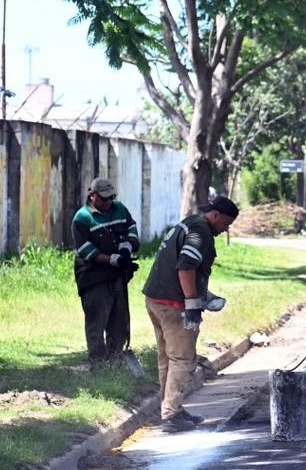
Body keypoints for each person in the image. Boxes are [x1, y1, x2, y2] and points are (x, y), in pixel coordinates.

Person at [142, 196, 239, 433]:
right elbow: (186, 266)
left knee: (167, 358)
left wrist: (205, 294)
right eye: (226, 223)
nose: (226, 229)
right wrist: (193, 305)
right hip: (173, 304)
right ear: (215, 215)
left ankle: (170, 407)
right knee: (183, 359)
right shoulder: (201, 231)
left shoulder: (190, 222)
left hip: (155, 299)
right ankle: (171, 414)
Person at [72, 177, 140, 369]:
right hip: (94, 277)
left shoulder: (119, 209)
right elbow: (85, 250)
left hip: (117, 276)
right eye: (104, 199)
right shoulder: (82, 218)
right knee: (97, 321)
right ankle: (98, 364)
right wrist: (112, 259)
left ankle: (116, 360)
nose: (108, 202)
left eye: (111, 198)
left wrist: (127, 247)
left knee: (119, 321)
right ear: (92, 195)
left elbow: (131, 228)